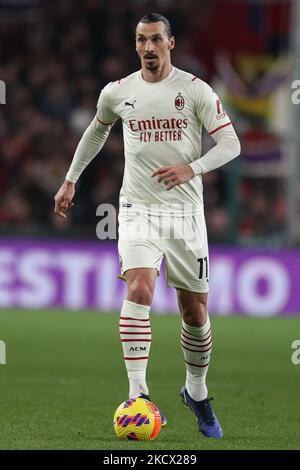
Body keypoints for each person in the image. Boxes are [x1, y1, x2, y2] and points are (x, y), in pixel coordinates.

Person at [54, 13, 240, 438]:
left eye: (156, 39)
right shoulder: (118, 92)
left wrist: (191, 169)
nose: (148, 48)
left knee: (194, 313)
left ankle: (196, 390)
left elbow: (231, 143)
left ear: (171, 42)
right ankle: (138, 394)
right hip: (137, 209)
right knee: (138, 286)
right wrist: (70, 179)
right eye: (141, 40)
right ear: (135, 45)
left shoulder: (195, 90)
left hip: (185, 216)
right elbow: (96, 133)